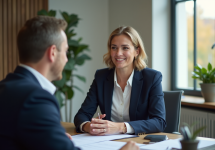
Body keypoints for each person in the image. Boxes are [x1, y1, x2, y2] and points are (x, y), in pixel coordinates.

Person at [0, 16, 139, 150]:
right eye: (65, 51)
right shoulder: (36, 98)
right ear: (52, 52)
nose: (67, 60)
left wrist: (54, 137)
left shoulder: (5, 88)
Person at [74, 26, 166, 136]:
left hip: (138, 142)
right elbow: (81, 115)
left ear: (137, 51)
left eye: (125, 48)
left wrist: (121, 127)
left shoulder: (152, 78)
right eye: (114, 48)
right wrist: (91, 126)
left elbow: (159, 122)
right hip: (106, 141)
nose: (118, 53)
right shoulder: (101, 77)